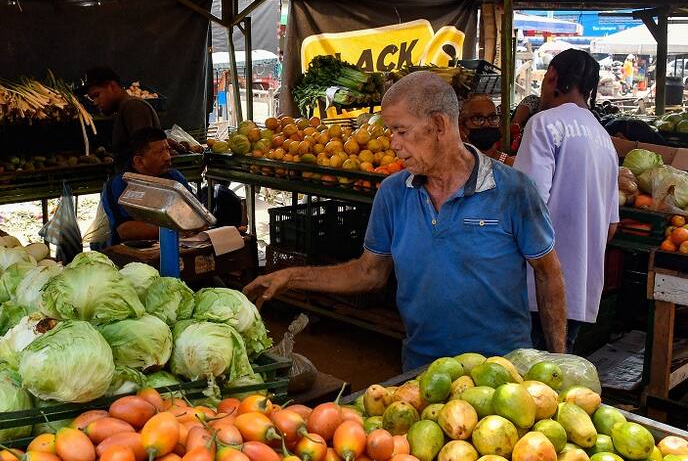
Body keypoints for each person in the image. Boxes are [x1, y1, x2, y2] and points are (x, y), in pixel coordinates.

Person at [245, 71, 567, 370]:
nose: (393, 144)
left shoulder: (513, 190)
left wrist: (558, 362)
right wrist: (290, 277)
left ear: (438, 125)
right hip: (423, 371)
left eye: (401, 131)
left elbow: (548, 272)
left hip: (502, 372)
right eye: (391, 132)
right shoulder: (393, 193)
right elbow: (369, 273)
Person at [514, 49, 620, 353]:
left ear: (552, 76)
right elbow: (611, 226)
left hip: (538, 288)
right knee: (557, 374)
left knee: (524, 373)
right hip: (579, 290)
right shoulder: (605, 140)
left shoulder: (543, 124)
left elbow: (528, 205)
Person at [101, 127, 190, 246]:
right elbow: (125, 230)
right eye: (160, 152)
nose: (167, 157)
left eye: (168, 150)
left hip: (180, 246)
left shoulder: (175, 177)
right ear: (139, 161)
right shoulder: (119, 184)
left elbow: (192, 213)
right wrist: (176, 229)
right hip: (132, 252)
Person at [79, 66, 160, 171]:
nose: (95, 102)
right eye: (92, 98)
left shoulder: (133, 106)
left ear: (112, 86)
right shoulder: (125, 108)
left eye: (97, 95)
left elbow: (146, 154)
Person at [459, 95, 514, 166]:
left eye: (493, 118)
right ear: (463, 126)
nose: (487, 124)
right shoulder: (453, 165)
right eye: (478, 119)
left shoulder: (510, 165)